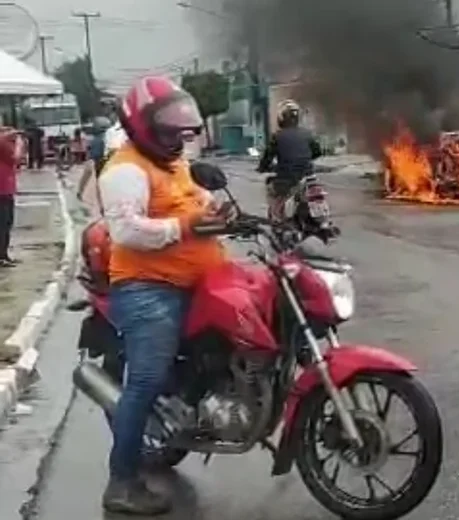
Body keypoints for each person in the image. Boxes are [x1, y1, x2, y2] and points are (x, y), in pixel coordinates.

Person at [97, 75, 229, 515]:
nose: (177, 134)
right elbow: (127, 230)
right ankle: (122, 482)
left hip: (199, 279)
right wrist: (184, 227)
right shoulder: (126, 170)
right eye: (167, 126)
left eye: (180, 126)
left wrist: (221, 211)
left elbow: (197, 199)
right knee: (147, 380)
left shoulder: (174, 163)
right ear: (141, 125)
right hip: (147, 287)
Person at [257, 99, 323, 202]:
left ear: (281, 118)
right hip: (309, 176)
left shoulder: (277, 136)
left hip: (287, 178)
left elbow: (267, 157)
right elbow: (317, 152)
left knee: (271, 187)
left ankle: (277, 215)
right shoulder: (307, 133)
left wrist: (262, 167)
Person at [76, 116, 111, 212]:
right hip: (116, 167)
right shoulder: (115, 137)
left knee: (100, 185)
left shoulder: (96, 141)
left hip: (103, 168)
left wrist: (80, 190)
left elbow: (88, 168)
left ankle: (103, 208)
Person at [0, 127, 22, 267]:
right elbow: (16, 157)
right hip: (3, 190)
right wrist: (19, 143)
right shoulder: (3, 143)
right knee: (4, 224)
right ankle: (2, 256)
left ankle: (3, 255)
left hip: (6, 188)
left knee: (5, 223)